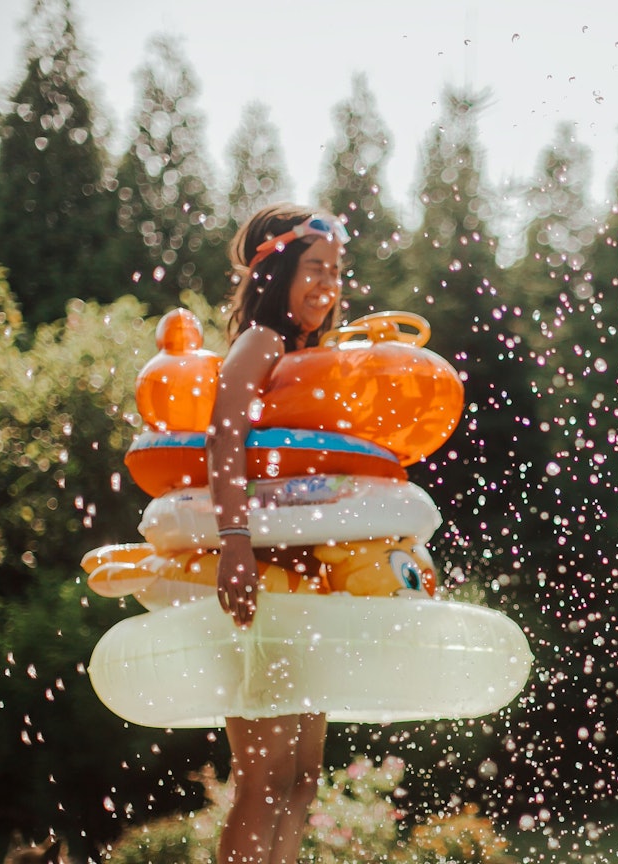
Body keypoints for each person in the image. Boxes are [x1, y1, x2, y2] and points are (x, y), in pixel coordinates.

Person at [208, 203, 347, 864]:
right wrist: (234, 544)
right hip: (262, 578)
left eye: (337, 272)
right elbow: (223, 435)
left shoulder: (310, 358)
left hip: (305, 583)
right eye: (315, 268)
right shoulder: (260, 343)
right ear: (279, 273)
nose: (328, 283)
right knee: (262, 779)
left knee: (302, 779)